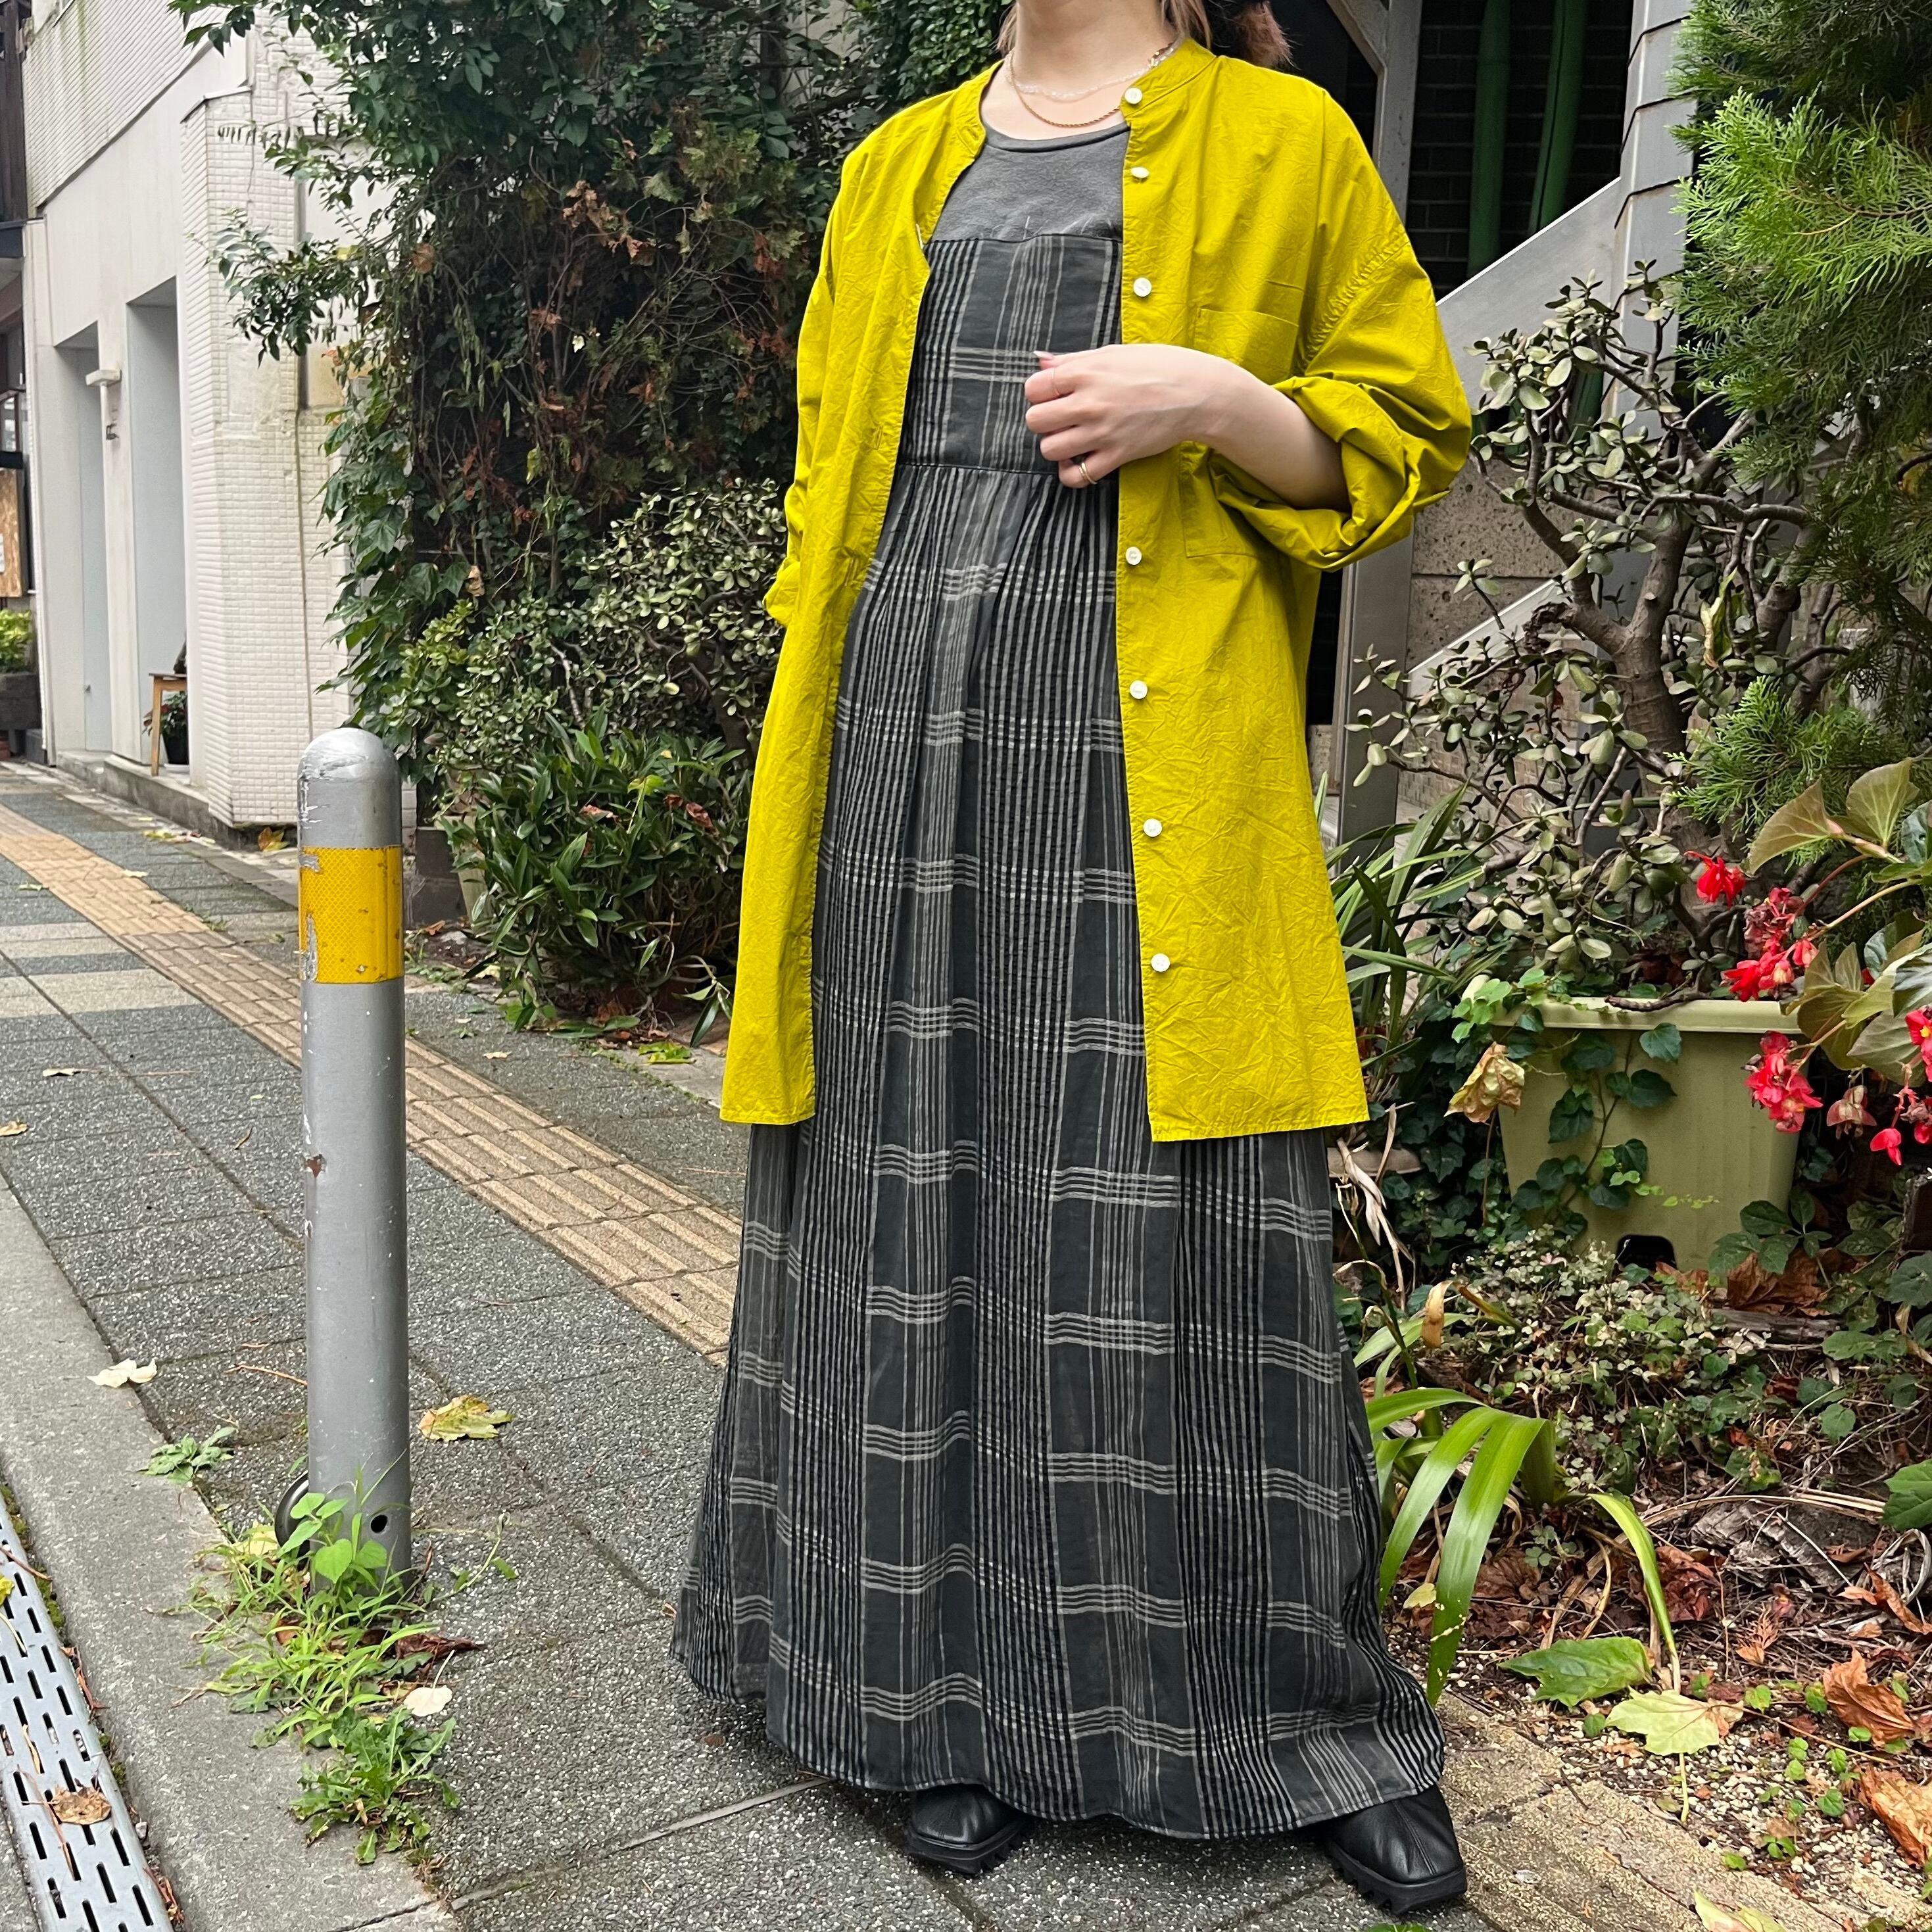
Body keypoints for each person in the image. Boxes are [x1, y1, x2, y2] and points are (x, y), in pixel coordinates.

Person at [673, 0, 1472, 1914]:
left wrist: (1217, 403)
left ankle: (1286, 1722)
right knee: (911, 1187)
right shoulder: (895, 164)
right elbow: (828, 487)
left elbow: (1405, 435)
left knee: (1182, 1216)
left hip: (1146, 745)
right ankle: (917, 1704)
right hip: (895, 740)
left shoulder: (1284, 137)